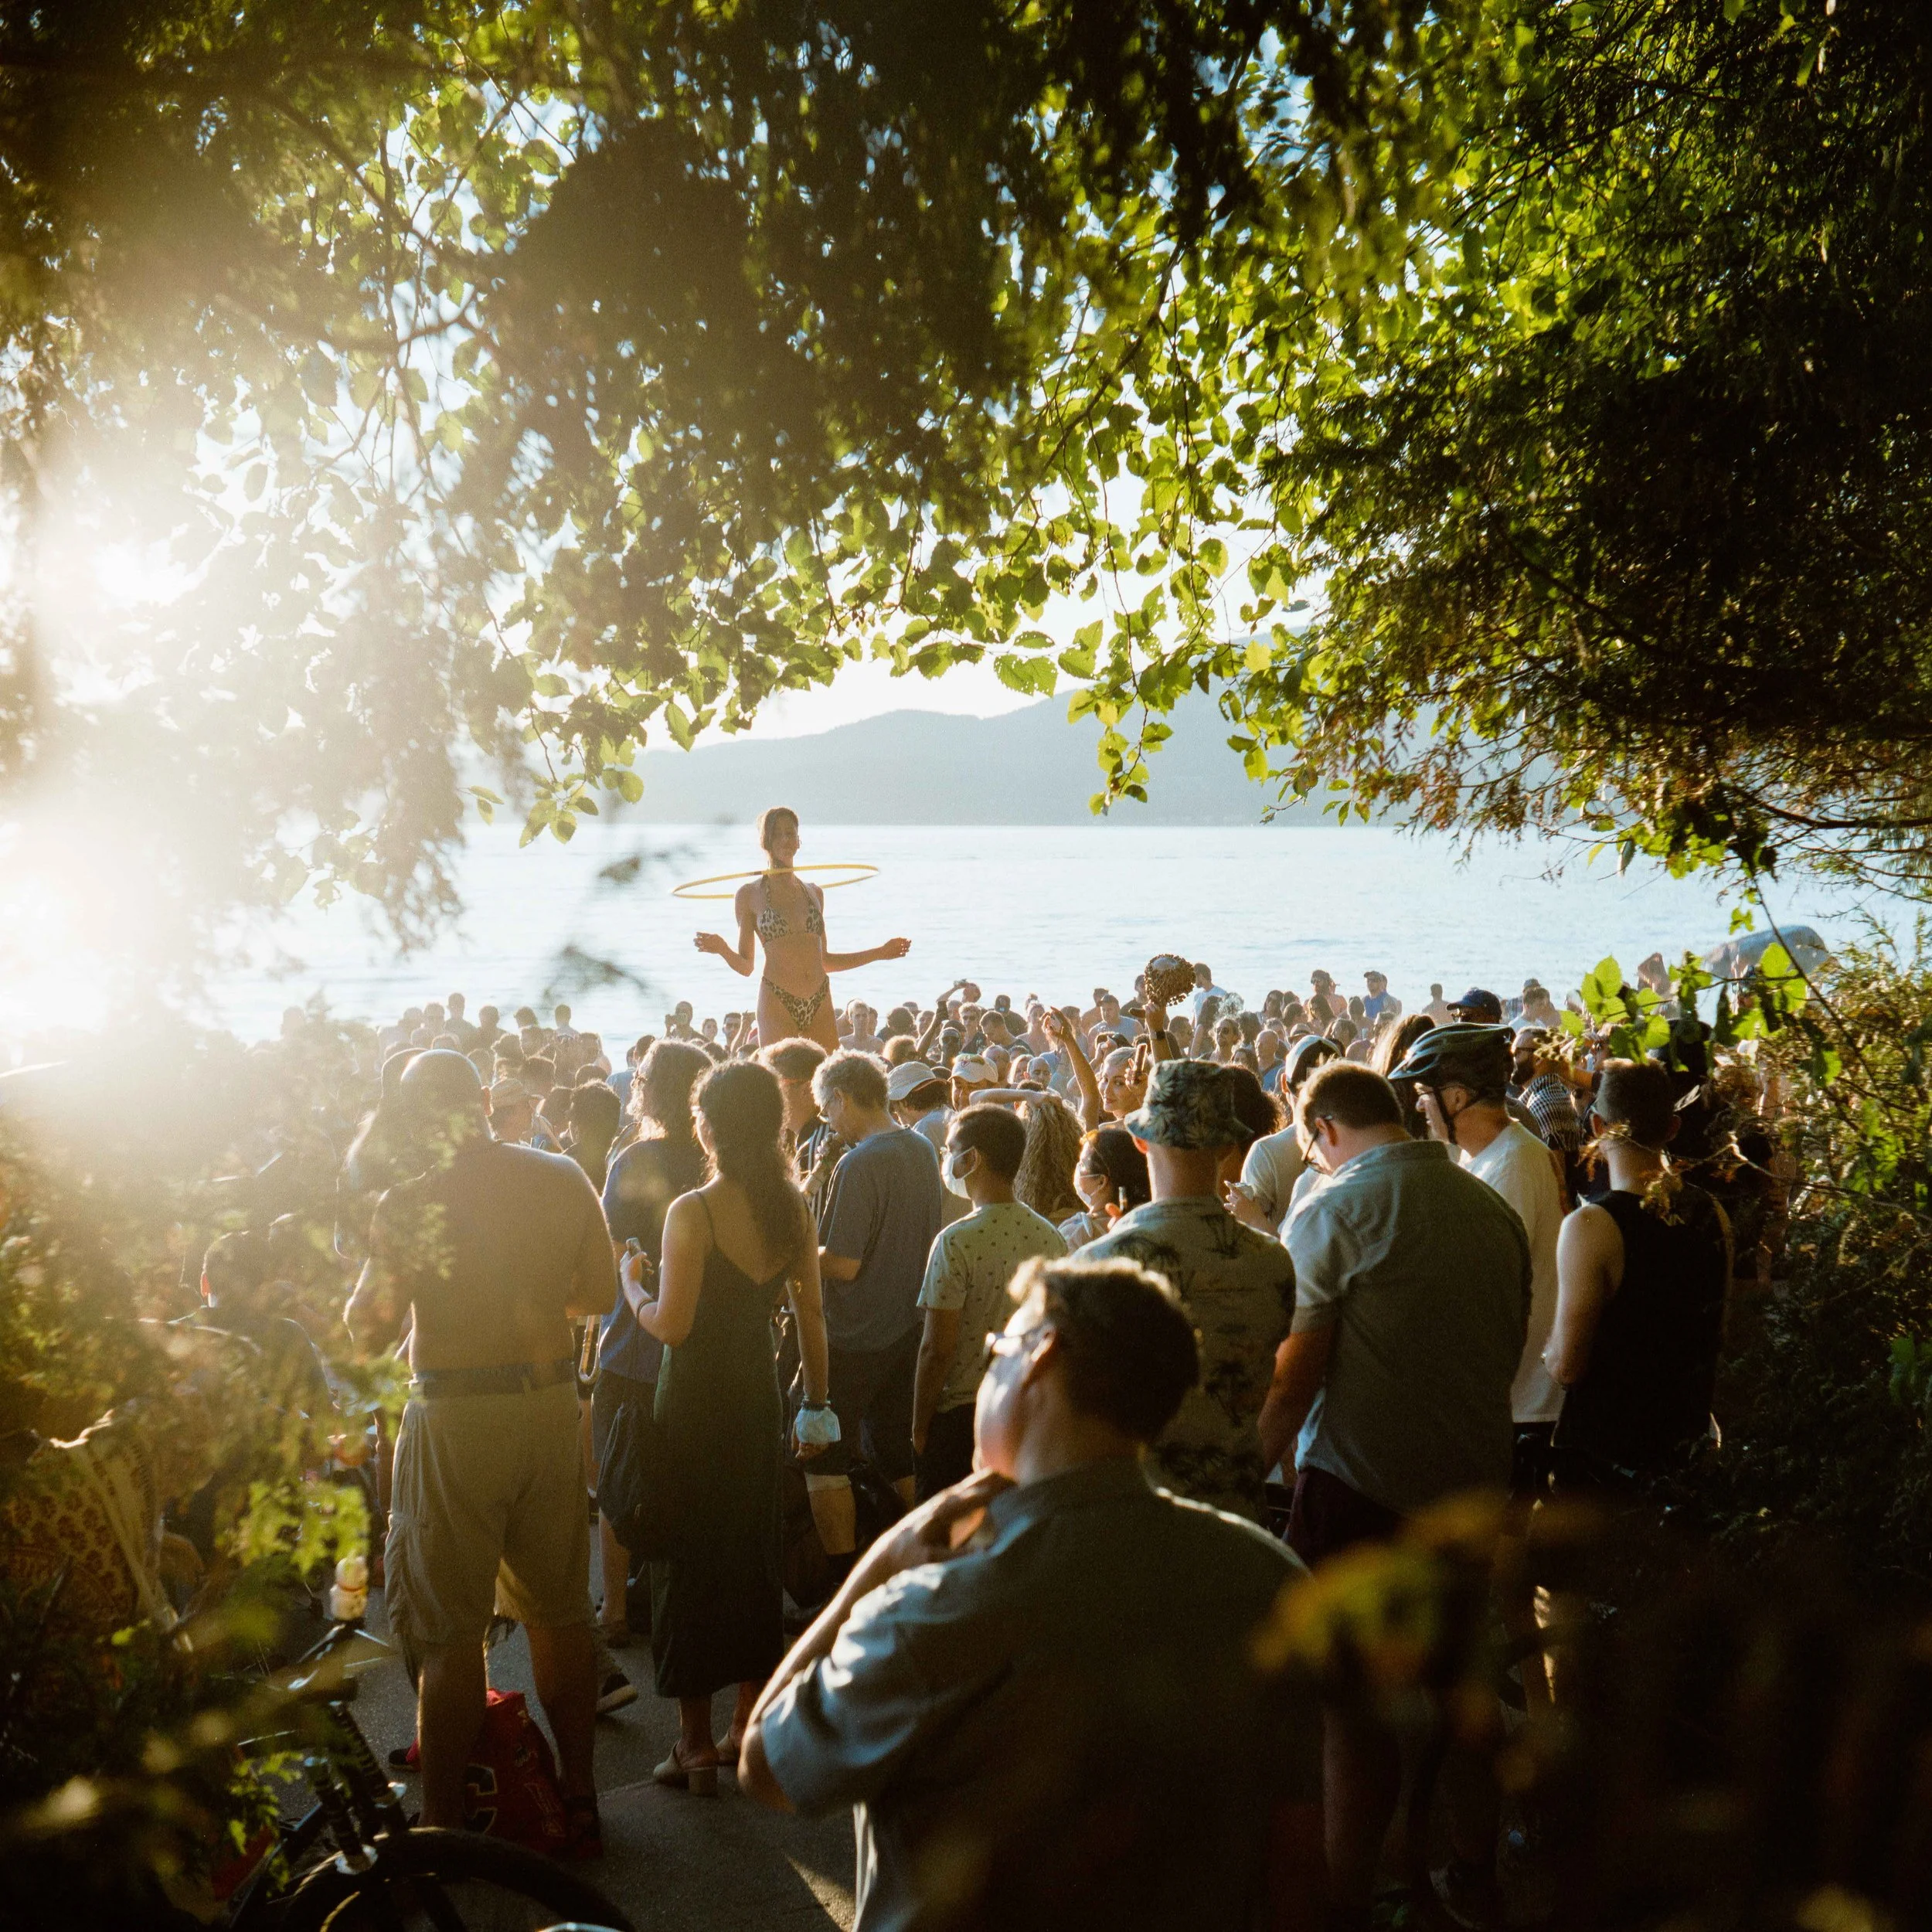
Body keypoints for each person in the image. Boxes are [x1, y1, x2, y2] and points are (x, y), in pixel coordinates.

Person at [740, 1254, 1322, 1931]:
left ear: (1039, 1357)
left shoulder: (937, 1606)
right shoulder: (1269, 1577)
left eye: (996, 1352)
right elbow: (1298, 1862)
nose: (990, 1372)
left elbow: (766, 1767)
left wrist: (881, 1564)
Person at [1265, 1060, 1530, 1927]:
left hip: (1358, 1483)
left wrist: (1251, 1463)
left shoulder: (1336, 1208)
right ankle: (1470, 1869)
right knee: (1462, 1691)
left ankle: (1348, 1897)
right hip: (1469, 1478)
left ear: (1324, 1131)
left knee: (1350, 1713)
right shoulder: (1487, 1207)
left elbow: (1296, 1370)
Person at [346, 1050, 617, 1854]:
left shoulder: (411, 1196)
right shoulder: (560, 1174)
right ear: (486, 1100)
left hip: (455, 1413)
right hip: (544, 1407)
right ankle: (580, 1794)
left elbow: (369, 1323)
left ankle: (446, 1824)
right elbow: (600, 1295)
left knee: (449, 1631)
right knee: (561, 1613)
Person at [624, 1060, 833, 1791]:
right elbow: (810, 1315)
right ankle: (746, 1724)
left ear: (706, 1124)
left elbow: (672, 1326)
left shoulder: (694, 1211)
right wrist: (819, 1403)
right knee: (751, 1554)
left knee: (685, 1557)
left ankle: (691, 1744)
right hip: (756, 1399)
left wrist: (632, 1291)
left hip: (692, 1405)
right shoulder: (792, 1208)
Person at [1083, 1060, 1299, 1525]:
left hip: (1135, 1518)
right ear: (1227, 1147)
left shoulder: (1098, 1265)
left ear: (1140, 1140)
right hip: (1237, 1515)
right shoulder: (1274, 1261)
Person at [1393, 1024, 1566, 1487]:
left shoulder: (1510, 1166)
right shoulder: (1488, 1157)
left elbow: (1478, 1299)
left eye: (1424, 1092)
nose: (1418, 1104)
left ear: (1454, 1098)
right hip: (1509, 1401)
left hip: (1519, 1408)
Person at [1546, 1060, 1732, 1485]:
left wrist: (1547, 1353)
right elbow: (1719, 1333)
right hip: (1684, 1453)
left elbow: (1567, 1366)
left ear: (1596, 1126)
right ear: (1672, 1128)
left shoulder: (1590, 1226)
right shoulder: (1713, 1213)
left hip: (1605, 1462)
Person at [810, 1050, 946, 1587]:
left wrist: (800, 1251)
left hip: (854, 1332)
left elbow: (842, 1263)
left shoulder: (861, 1161)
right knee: (894, 1449)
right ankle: (928, 1557)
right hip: (906, 1326)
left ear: (842, 1096)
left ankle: (841, 1584)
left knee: (823, 1453)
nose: (828, 1121)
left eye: (826, 1109)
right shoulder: (919, 1148)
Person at [595, 1040, 713, 1649]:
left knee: (621, 1476)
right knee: (683, 1476)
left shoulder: (634, 1159)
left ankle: (615, 1607)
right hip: (700, 1342)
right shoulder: (717, 1162)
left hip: (635, 1341)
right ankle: (672, 1601)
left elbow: (611, 1254)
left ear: (650, 1088)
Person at [910, 1105, 1067, 1498]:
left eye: (951, 1150)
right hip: (1028, 1407)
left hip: (962, 1418)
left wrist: (918, 1424)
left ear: (972, 1159)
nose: (947, 1160)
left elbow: (937, 1349)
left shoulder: (955, 1241)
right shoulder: (1049, 1235)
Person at [692, 805, 910, 1053]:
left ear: (799, 840)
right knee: (783, 1080)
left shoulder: (815, 893)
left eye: (790, 833)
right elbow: (746, 966)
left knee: (825, 1079)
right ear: (766, 841)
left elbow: (825, 960)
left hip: (819, 998)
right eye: (777, 834)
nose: (785, 839)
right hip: (777, 999)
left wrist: (880, 952)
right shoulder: (749, 894)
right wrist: (721, 948)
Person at [1058, 1124, 1151, 1252]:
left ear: (1101, 1181)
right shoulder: (1144, 1224)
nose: (1078, 1169)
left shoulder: (1075, 1234)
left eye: (1083, 1165)